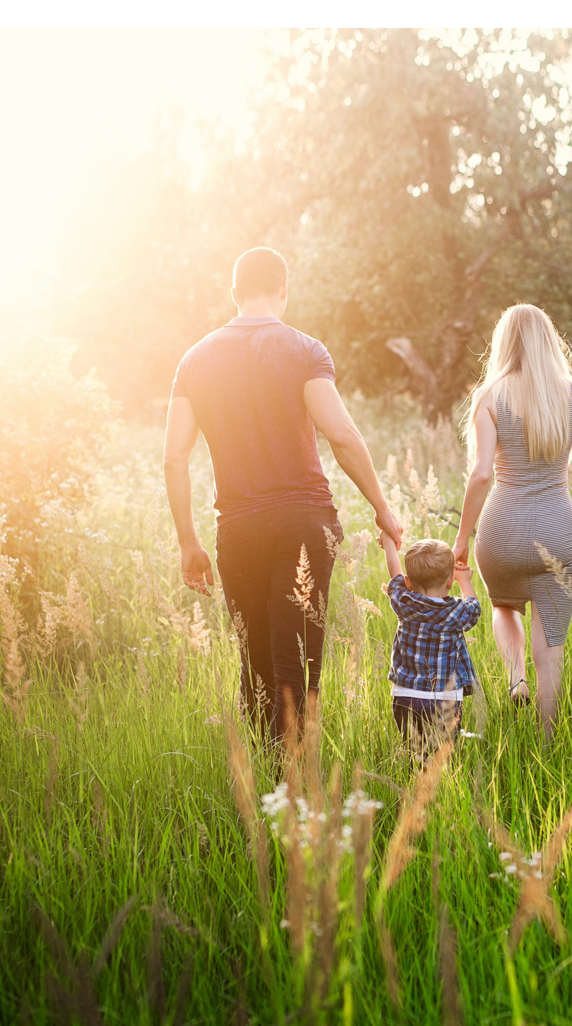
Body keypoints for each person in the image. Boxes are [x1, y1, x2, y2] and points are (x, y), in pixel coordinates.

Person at [163, 247, 404, 743]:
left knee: (254, 660)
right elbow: (341, 436)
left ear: (234, 294)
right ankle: (293, 781)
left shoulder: (194, 360)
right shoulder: (304, 350)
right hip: (305, 523)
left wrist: (189, 542)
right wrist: (382, 507)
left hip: (238, 528)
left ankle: (263, 781)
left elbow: (174, 459)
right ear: (283, 289)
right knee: (295, 653)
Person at [452, 304, 572, 740]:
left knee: (504, 605)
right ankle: (547, 737)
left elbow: (482, 473)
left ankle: (515, 676)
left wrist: (462, 538)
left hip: (501, 531)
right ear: (549, 340)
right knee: (551, 641)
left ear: (504, 342)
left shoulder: (490, 396)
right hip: (559, 531)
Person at [380, 534, 480, 762]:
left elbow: (394, 576)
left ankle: (414, 787)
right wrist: (464, 580)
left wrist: (388, 543)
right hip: (444, 699)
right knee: (442, 757)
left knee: (414, 752)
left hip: (405, 695)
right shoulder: (455, 613)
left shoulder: (404, 602)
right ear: (449, 581)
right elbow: (473, 609)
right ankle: (438, 791)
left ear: (409, 582)